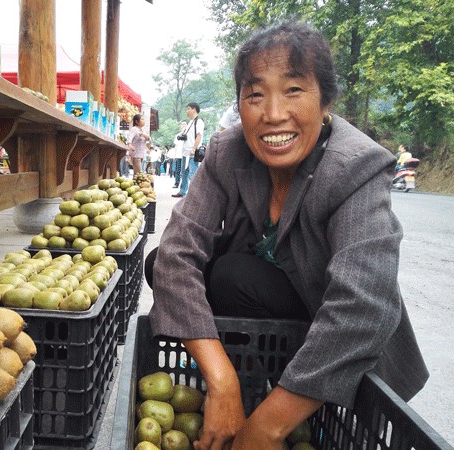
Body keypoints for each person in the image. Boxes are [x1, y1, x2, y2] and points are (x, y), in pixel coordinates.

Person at [147, 20, 428, 450]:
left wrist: (268, 426)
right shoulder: (228, 151)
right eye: (255, 94)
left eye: (294, 90)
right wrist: (221, 381)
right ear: (239, 103)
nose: (273, 114)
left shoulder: (356, 167)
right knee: (177, 265)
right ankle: (243, 384)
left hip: (330, 331)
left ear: (326, 100)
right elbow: (177, 255)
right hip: (266, 307)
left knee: (233, 276)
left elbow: (365, 305)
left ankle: (285, 400)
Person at [172, 103, 205, 198]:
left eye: (188, 109)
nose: (186, 111)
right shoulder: (190, 122)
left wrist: (194, 148)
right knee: (184, 173)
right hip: (185, 152)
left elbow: (199, 135)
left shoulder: (199, 122)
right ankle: (183, 191)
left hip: (192, 152)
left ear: (194, 109)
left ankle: (194, 195)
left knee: (193, 173)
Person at [171, 121, 187, 187]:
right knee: (177, 170)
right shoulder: (178, 135)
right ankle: (176, 183)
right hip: (178, 155)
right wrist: (174, 155)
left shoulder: (188, 134)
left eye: (185, 124)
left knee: (184, 171)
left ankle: (183, 185)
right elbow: (176, 146)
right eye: (182, 124)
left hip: (185, 154)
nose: (183, 126)